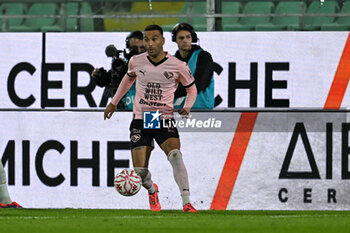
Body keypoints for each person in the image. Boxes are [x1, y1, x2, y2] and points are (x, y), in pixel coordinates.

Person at [104, 24, 198, 213]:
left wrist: (187, 107)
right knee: (139, 172)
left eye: (154, 39)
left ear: (163, 41)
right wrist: (114, 102)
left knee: (175, 155)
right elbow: (128, 79)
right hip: (141, 117)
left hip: (163, 117)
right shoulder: (136, 61)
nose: (150, 43)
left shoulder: (178, 65)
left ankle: (186, 202)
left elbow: (192, 88)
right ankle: (153, 190)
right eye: (146, 39)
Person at [91, 30, 146, 110]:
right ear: (129, 48)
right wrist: (100, 76)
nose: (138, 51)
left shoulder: (156, 65)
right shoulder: (122, 66)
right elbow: (106, 81)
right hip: (124, 113)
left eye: (142, 48)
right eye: (134, 48)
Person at [171, 22, 215, 109]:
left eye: (188, 37)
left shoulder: (204, 57)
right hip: (178, 109)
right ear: (175, 40)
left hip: (201, 109)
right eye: (181, 38)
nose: (185, 40)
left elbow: (199, 84)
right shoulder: (171, 61)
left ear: (192, 38)